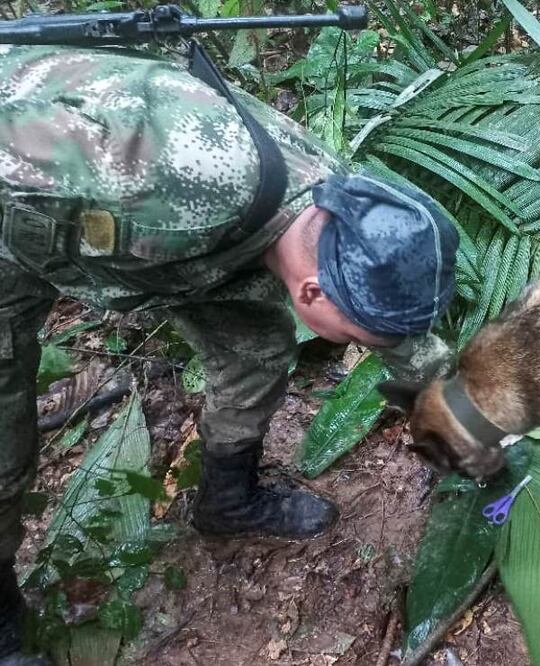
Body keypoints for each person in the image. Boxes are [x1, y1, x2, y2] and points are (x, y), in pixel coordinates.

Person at [0, 43, 459, 665]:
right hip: (18, 219)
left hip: (169, 251)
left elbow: (398, 336)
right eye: (353, 338)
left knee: (257, 349)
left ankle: (227, 500)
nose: (356, 347)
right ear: (312, 290)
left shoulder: (341, 216)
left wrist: (470, 417)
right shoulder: (170, 183)